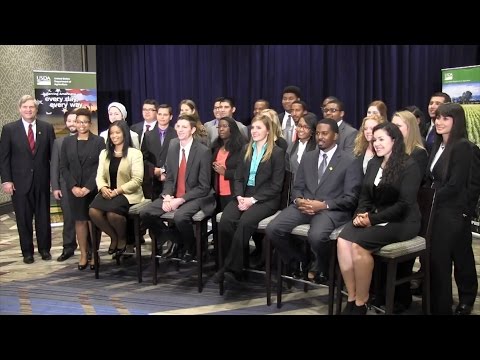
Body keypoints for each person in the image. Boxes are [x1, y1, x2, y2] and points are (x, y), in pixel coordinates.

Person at [336, 122, 422, 315]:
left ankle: (361, 301)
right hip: (376, 216)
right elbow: (365, 196)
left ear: (394, 140)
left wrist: (371, 220)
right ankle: (351, 296)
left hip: (403, 221)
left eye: (381, 139)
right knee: (343, 240)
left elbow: (403, 206)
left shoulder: (409, 165)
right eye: (374, 140)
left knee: (358, 245)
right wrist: (360, 215)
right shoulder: (375, 162)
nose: (376, 144)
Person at [266, 118, 362, 284]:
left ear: (336, 136)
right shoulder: (309, 157)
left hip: (330, 210)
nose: (320, 137)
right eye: (317, 133)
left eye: (325, 133)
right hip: (304, 207)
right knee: (273, 228)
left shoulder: (349, 161)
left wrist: (324, 204)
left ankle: (324, 268)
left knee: (317, 236)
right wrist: (298, 200)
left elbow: (351, 198)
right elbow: (297, 187)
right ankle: (301, 260)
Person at [214, 113, 285, 284]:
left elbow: (276, 187)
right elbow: (238, 177)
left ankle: (229, 269)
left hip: (265, 199)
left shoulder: (277, 153)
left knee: (245, 223)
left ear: (268, 131)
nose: (254, 131)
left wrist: (252, 200)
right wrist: (239, 197)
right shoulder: (247, 149)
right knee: (225, 222)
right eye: (252, 127)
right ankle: (235, 265)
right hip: (242, 195)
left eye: (259, 127)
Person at [139, 114, 216, 263]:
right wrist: (167, 194)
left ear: (192, 130)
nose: (180, 130)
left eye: (184, 127)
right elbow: (170, 177)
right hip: (174, 194)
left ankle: (191, 246)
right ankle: (171, 237)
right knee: (145, 213)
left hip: (195, 196)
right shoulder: (173, 145)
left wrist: (180, 200)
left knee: (180, 217)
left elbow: (204, 186)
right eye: (178, 126)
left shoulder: (203, 151)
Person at [426, 103, 477, 315]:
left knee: (460, 257)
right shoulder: (438, 145)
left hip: (453, 211)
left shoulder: (463, 146)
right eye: (437, 117)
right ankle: (439, 305)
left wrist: (430, 197)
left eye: (445, 118)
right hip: (436, 210)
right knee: (439, 259)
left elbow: (456, 184)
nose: (439, 122)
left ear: (456, 121)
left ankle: (465, 299)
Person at [0, 95, 55, 264]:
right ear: (20, 109)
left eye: (32, 107)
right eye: (25, 107)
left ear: (36, 110)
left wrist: (54, 180)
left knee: (43, 217)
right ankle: (27, 252)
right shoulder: (9, 129)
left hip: (42, 181)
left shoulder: (46, 128)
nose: (29, 110)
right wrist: (6, 180)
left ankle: (45, 249)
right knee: (23, 219)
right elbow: (4, 158)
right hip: (18, 182)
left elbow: (53, 157)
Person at [89, 121, 144, 259]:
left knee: (113, 214)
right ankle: (114, 237)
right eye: (111, 133)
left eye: (117, 132)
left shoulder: (134, 153)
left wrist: (118, 191)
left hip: (127, 193)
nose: (114, 136)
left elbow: (137, 180)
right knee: (93, 211)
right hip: (108, 192)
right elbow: (99, 175)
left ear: (124, 134)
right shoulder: (104, 153)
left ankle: (123, 239)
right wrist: (102, 187)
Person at [60, 108, 105, 270]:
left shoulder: (99, 141)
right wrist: (73, 186)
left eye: (85, 122)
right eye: (79, 122)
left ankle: (95, 253)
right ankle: (84, 254)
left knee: (92, 221)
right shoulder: (67, 142)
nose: (82, 125)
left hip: (92, 190)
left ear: (90, 124)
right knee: (79, 221)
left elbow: (101, 167)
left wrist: (88, 187)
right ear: (75, 123)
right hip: (74, 190)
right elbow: (64, 167)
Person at [51, 109, 78, 261]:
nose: (72, 123)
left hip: (84, 187)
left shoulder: (90, 140)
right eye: (69, 121)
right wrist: (55, 187)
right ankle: (68, 247)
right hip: (64, 186)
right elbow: (54, 165)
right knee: (68, 218)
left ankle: (88, 248)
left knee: (85, 219)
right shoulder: (58, 142)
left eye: (75, 120)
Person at [141, 104, 177, 200]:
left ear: (171, 117)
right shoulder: (148, 135)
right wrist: (154, 170)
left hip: (170, 179)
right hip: (152, 181)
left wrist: (164, 171)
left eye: (165, 115)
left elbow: (178, 158)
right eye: (160, 114)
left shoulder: (176, 135)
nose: (162, 117)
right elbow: (143, 158)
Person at [211, 117, 247, 211]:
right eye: (219, 127)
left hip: (233, 193)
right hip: (218, 193)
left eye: (224, 126)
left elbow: (244, 172)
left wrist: (225, 173)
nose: (221, 129)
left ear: (232, 128)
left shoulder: (241, 148)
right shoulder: (216, 146)